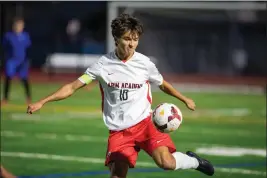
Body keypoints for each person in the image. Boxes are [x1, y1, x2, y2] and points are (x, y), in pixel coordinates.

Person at [27, 14, 214, 177]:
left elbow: (162, 84)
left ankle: (194, 162)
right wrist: (43, 101)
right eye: (127, 39)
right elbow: (73, 87)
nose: (132, 44)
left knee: (166, 163)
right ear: (116, 39)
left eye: (135, 39)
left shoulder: (145, 63)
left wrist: (184, 99)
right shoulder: (102, 65)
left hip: (145, 123)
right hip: (119, 130)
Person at [1, 17, 32, 105]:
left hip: (22, 61)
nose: (18, 27)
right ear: (13, 26)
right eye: (17, 25)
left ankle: (28, 97)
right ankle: (5, 98)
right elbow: (4, 47)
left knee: (24, 79)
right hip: (11, 61)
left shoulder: (25, 36)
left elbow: (28, 48)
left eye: (20, 25)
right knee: (8, 78)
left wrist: (28, 60)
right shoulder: (8, 36)